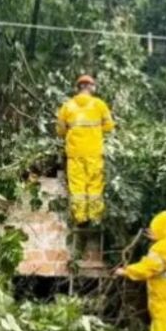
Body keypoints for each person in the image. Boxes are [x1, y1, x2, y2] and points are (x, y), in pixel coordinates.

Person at [55, 75, 114, 225]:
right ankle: (95, 217)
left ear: (78, 88)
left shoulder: (67, 106)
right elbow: (109, 127)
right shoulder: (99, 105)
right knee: (94, 185)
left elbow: (60, 131)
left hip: (75, 153)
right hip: (94, 152)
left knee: (77, 186)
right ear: (90, 87)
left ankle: (80, 218)